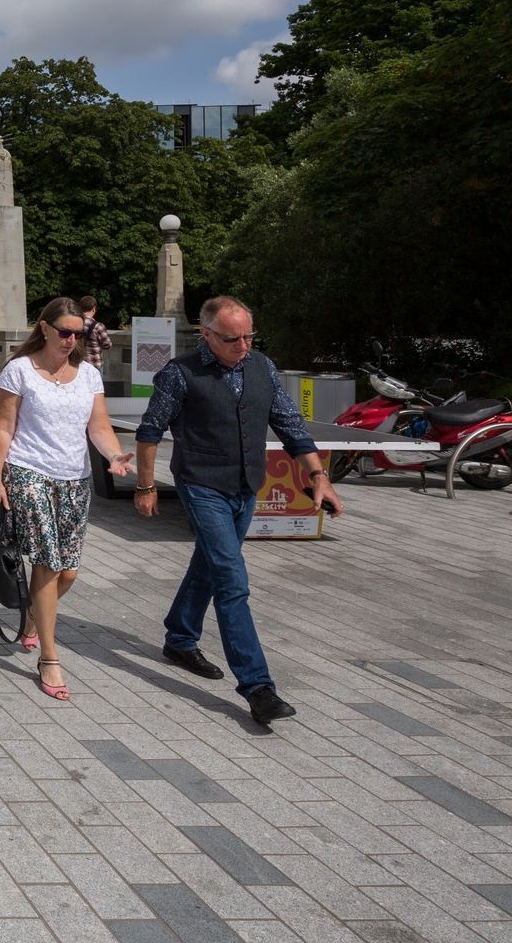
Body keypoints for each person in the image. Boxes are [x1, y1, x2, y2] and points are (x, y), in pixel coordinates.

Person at [132, 296, 342, 725]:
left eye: (249, 336)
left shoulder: (262, 367)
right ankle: (258, 688)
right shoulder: (180, 373)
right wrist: (146, 486)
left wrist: (318, 475)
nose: (243, 345)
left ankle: (180, 637)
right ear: (206, 334)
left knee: (210, 564)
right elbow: (149, 432)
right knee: (231, 579)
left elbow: (290, 424)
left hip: (246, 484)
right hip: (201, 484)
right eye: (232, 339)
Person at [0, 297, 135, 701]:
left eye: (78, 334)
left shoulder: (88, 375)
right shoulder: (19, 370)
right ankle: (50, 658)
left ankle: (34, 614)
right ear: (45, 328)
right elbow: (4, 427)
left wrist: (114, 456)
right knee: (49, 564)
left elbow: (99, 426)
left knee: (68, 572)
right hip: (28, 472)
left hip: (75, 479)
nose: (72, 340)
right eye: (65, 332)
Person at [77, 295, 112, 370]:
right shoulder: (98, 326)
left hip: (78, 363)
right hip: (94, 364)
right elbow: (107, 345)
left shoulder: (75, 323)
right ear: (94, 309)